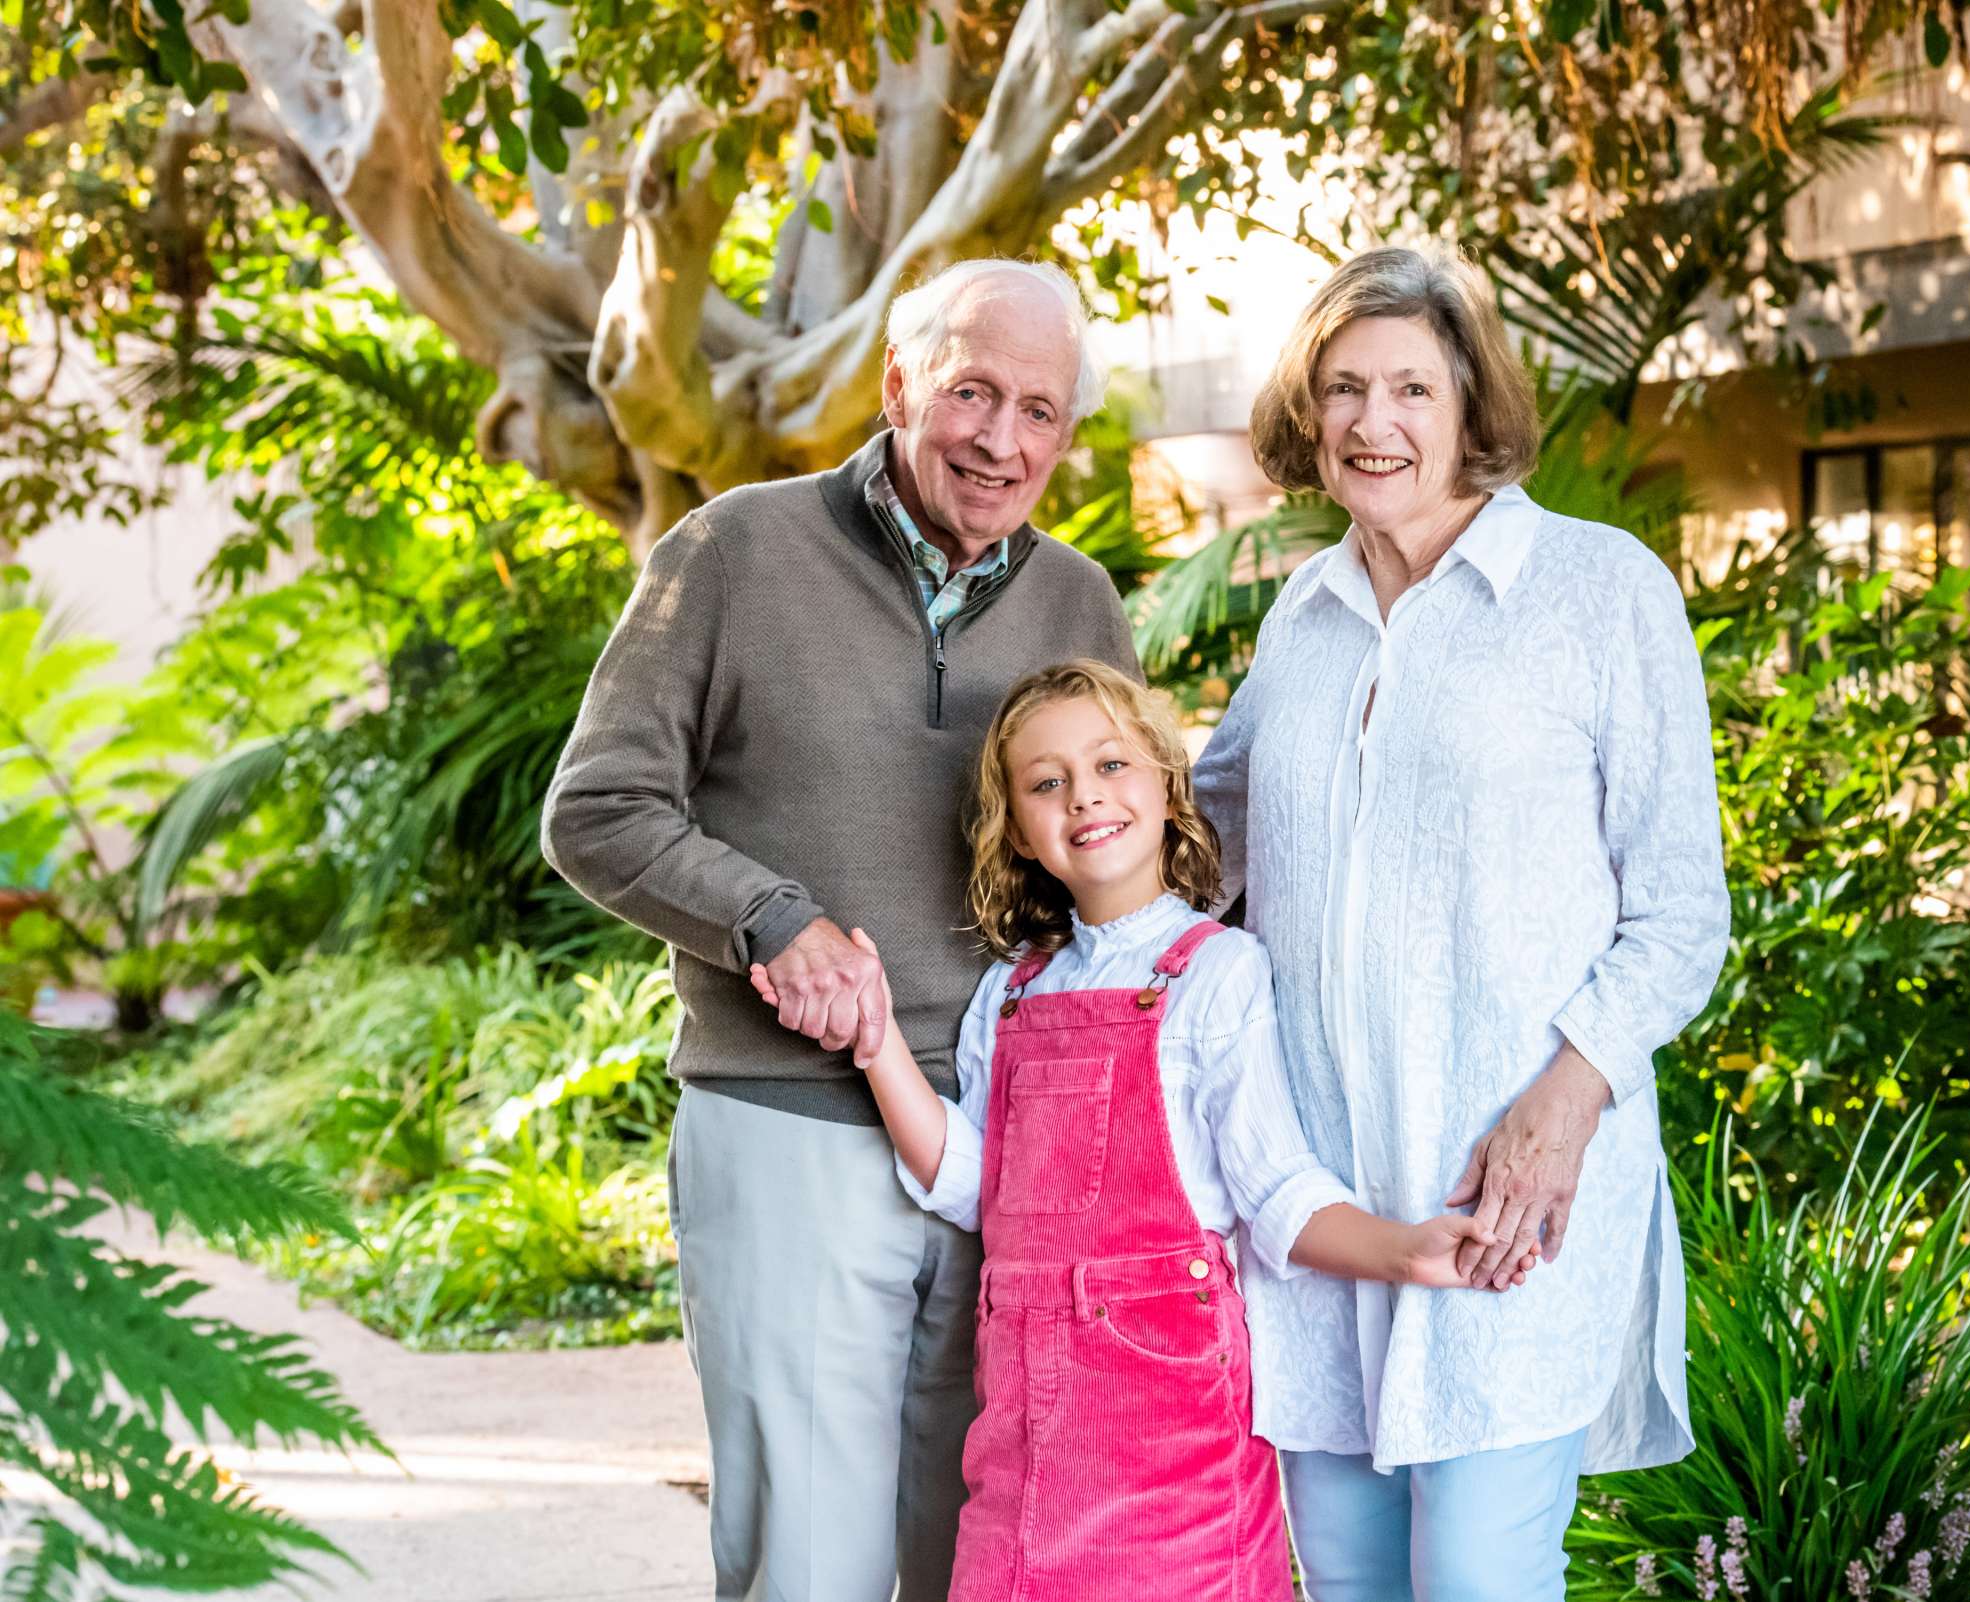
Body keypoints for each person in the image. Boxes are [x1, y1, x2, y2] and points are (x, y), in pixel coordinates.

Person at [540, 259, 1140, 1602]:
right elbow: (598, 807)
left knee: (975, 1555)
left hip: (1010, 1140)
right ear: (898, 386)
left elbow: (1122, 853)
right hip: (791, 1118)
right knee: (812, 1564)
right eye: (972, 390)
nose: (1001, 438)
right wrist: (769, 916)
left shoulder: (1081, 604)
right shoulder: (737, 552)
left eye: (1038, 409)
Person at [1192, 245, 1733, 1602]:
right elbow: (1199, 859)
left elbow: (1681, 913)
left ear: (1470, 403)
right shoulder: (1298, 627)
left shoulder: (1600, 591)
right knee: (1352, 1586)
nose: (1376, 424)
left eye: (1411, 388)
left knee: (1483, 1581)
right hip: (1318, 1215)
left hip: (1505, 1202)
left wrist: (1568, 1099)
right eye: (1344, 389)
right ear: (1309, 417)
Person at [790, 659, 1530, 1602]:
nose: (1084, 797)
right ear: (1019, 828)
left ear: (1167, 787)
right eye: (1046, 783)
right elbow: (975, 1183)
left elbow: (1274, 1189)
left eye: (1111, 766)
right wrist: (877, 1041)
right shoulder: (1012, 989)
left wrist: (1407, 1253)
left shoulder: (1217, 972)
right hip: (1024, 1412)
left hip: (1169, 1409)